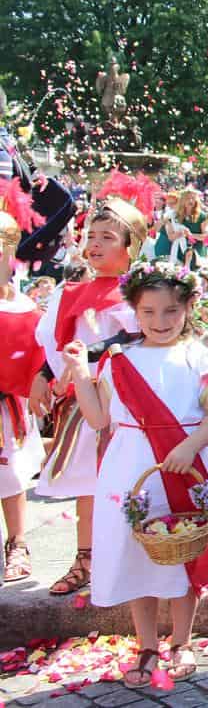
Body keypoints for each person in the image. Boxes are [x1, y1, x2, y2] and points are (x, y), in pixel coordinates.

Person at [63, 260, 208, 688]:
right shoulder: (119, 360)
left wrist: (190, 446)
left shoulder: (202, 357)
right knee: (139, 549)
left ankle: (183, 640)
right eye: (149, 312)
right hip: (131, 464)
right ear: (134, 311)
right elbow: (99, 420)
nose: (160, 321)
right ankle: (147, 644)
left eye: (171, 311)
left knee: (184, 550)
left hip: (186, 462)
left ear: (189, 307)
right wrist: (81, 375)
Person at [31, 195, 147, 597]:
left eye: (107, 236)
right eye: (90, 235)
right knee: (89, 483)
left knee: (134, 479)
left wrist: (96, 354)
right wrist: (44, 375)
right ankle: (86, 558)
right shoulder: (72, 291)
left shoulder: (141, 291)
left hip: (127, 402)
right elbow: (63, 341)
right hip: (84, 399)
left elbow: (140, 337)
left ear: (130, 245)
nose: (94, 243)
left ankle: (137, 556)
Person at [0, 201, 47, 583]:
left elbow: (35, 354)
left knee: (9, 477)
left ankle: (16, 543)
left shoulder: (23, 306)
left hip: (5, 407)